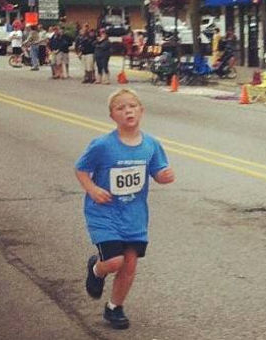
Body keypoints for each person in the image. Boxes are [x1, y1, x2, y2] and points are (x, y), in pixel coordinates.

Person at [75, 88, 175, 330]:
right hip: (105, 213)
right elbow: (81, 169)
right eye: (120, 108)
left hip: (135, 216)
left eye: (132, 106)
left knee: (129, 265)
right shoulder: (102, 145)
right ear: (112, 116)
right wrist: (92, 189)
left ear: (141, 111)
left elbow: (157, 173)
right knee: (114, 262)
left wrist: (164, 176)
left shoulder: (151, 144)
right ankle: (97, 269)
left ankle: (114, 307)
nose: (127, 110)